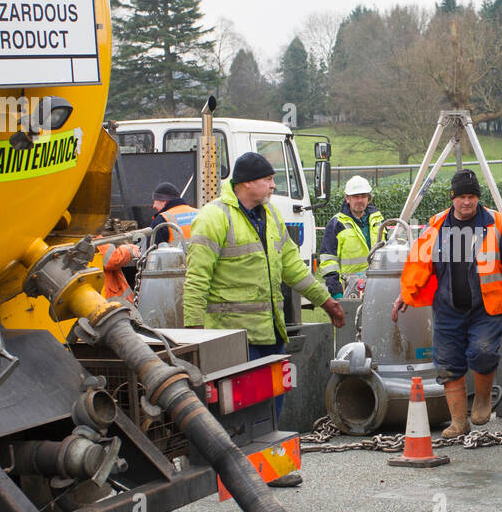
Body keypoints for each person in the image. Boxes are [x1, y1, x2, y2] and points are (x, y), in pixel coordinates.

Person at [184, 152, 346, 485]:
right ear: (245, 183)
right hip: (231, 338)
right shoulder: (214, 218)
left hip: (270, 332)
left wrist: (325, 301)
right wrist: (193, 334)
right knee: (241, 411)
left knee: (272, 406)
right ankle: (236, 473)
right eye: (267, 180)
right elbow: (196, 279)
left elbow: (293, 267)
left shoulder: (270, 215)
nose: (273, 186)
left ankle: (270, 471)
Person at [393, 169, 502, 438]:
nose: (467, 202)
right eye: (462, 197)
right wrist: (405, 294)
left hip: (487, 309)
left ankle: (481, 400)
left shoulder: (496, 223)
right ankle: (459, 421)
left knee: (483, 353)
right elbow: (418, 264)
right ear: (453, 198)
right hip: (448, 309)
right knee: (448, 363)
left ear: (477, 198)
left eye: (471, 197)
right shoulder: (437, 226)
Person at [319, 175, 384, 299]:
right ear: (347, 198)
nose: (360, 200)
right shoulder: (336, 224)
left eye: (363, 196)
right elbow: (328, 261)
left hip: (377, 287)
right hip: (348, 289)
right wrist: (336, 291)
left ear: (368, 199)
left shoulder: (379, 221)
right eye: (356, 196)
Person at [149, 181, 197, 247]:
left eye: (155, 201)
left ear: (163, 201)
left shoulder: (161, 221)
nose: (153, 206)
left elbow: (152, 252)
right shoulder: (199, 213)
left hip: (178, 257)